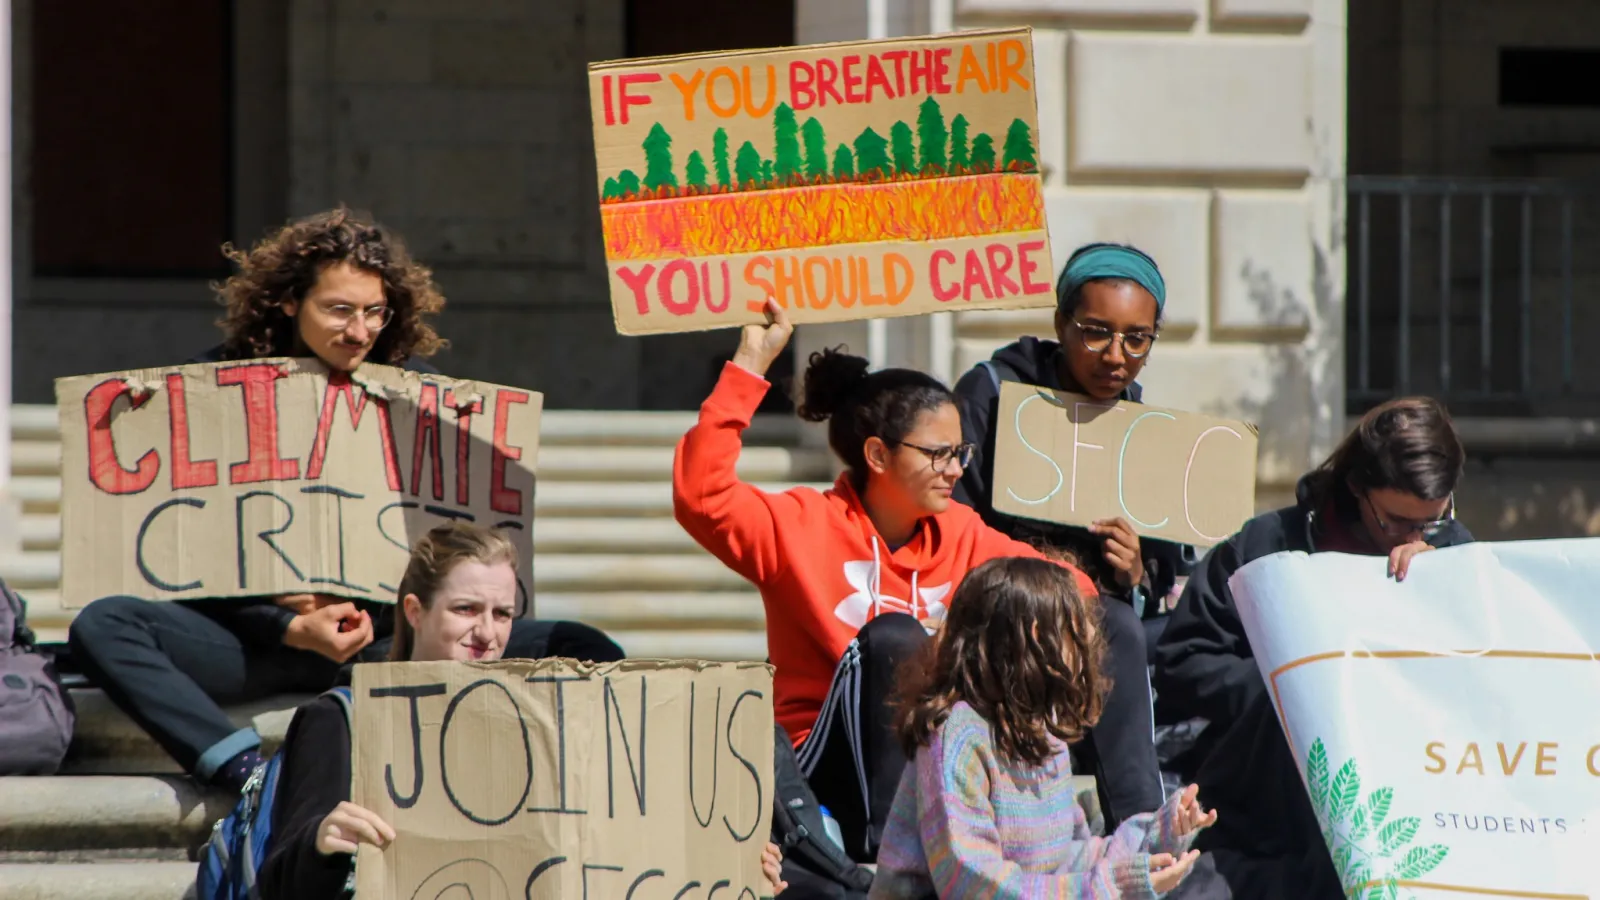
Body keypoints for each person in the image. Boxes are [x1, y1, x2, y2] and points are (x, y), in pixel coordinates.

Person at [68, 209, 622, 794]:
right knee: (104, 624)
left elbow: (442, 552)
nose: (359, 331)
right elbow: (181, 557)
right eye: (339, 310)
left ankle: (580, 780)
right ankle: (249, 777)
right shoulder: (212, 389)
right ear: (288, 303)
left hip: (382, 640)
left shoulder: (417, 393)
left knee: (578, 645)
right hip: (254, 642)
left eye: (374, 313)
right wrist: (286, 623)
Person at [673, 299, 1099, 865]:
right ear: (877, 454)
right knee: (894, 636)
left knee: (1102, 617)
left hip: (942, 762)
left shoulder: (963, 532)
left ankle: (1134, 829)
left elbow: (1073, 590)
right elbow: (701, 495)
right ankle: (888, 861)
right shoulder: (798, 525)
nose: (957, 470)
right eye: (939, 454)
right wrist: (751, 362)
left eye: (960, 452)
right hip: (822, 766)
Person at [258, 521, 789, 898]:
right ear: (415, 612)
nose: (487, 634)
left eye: (503, 613)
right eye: (466, 609)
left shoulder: (543, 722)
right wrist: (322, 844)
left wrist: (730, 861)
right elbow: (279, 882)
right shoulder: (341, 720)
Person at [1151, 397, 1471, 899]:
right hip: (1265, 808)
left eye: (1430, 521)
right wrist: (1291, 690)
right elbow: (1182, 662)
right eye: (1394, 521)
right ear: (1356, 488)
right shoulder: (1268, 545)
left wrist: (1435, 592)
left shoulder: (1455, 556)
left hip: (1403, 811)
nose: (1411, 537)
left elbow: (1478, 684)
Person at [951, 241, 1191, 829]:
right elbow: (947, 516)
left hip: (1106, 626)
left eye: (1138, 339)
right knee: (1112, 625)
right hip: (1002, 616)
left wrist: (1134, 570)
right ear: (1060, 324)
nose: (1117, 356)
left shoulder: (1141, 423)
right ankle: (1142, 826)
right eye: (1095, 332)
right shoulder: (992, 395)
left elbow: (1163, 577)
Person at [871, 556, 1215, 899]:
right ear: (1031, 641)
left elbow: (1067, 859)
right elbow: (971, 883)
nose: (1088, 638)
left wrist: (1157, 836)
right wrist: (1110, 888)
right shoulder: (957, 737)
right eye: (1071, 628)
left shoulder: (1044, 735)